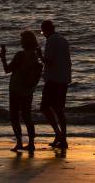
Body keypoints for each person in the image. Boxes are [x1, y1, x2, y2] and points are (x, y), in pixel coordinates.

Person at [0, 31, 43, 152]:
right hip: (28, 90)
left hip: (16, 89)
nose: (20, 41)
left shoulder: (20, 55)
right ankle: (31, 143)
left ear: (25, 41)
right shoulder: (35, 55)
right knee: (27, 116)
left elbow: (7, 70)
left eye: (22, 39)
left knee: (14, 117)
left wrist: (3, 58)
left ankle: (19, 143)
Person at [37, 20, 71, 149]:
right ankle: (63, 138)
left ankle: (58, 134)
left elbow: (49, 61)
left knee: (45, 107)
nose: (43, 35)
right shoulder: (63, 39)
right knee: (59, 109)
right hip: (64, 78)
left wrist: (40, 56)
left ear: (45, 30)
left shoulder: (51, 40)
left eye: (43, 32)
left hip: (53, 79)